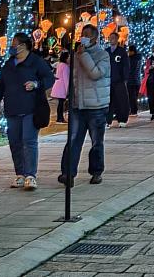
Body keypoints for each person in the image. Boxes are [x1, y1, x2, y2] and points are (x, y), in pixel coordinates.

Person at [0, 32, 54, 190]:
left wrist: (36, 84)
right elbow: (0, 85)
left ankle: (30, 175)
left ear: (23, 46)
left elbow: (50, 78)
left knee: (29, 141)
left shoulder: (35, 62)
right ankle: (20, 173)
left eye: (14, 43)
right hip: (12, 109)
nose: (11, 47)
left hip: (31, 108)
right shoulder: (9, 65)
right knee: (15, 142)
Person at [59, 25, 110, 187]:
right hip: (78, 106)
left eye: (87, 35)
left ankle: (96, 172)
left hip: (96, 106)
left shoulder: (102, 55)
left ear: (95, 38)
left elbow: (95, 74)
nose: (83, 37)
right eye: (82, 34)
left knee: (96, 142)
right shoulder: (77, 55)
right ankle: (68, 173)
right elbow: (73, 79)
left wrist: (84, 56)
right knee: (73, 140)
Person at [106, 33, 130, 128]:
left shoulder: (122, 52)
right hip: (108, 81)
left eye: (113, 38)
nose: (111, 40)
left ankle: (122, 120)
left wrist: (125, 78)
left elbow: (126, 66)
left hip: (119, 81)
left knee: (122, 100)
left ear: (117, 39)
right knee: (108, 101)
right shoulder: (106, 52)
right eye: (110, 38)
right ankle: (107, 120)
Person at [50, 51, 70, 124]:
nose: (69, 58)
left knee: (60, 104)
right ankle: (60, 118)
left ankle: (59, 118)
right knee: (61, 104)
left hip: (58, 86)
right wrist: (68, 89)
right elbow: (66, 79)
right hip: (62, 87)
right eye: (68, 57)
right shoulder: (65, 66)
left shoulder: (59, 64)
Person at [127, 45, 142, 116]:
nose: (128, 52)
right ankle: (134, 110)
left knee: (131, 97)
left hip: (131, 81)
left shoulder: (132, 59)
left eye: (129, 51)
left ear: (132, 51)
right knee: (134, 97)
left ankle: (133, 111)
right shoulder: (139, 58)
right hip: (137, 81)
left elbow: (130, 70)